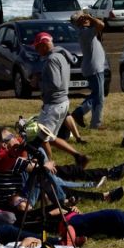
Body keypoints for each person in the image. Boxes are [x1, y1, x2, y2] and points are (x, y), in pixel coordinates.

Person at [32, 32, 88, 166]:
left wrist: (39, 82)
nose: (36, 50)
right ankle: (78, 156)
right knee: (50, 137)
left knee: (43, 136)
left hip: (54, 104)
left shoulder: (51, 59)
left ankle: (49, 164)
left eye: (38, 47)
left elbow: (55, 84)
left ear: (45, 45)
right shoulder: (61, 55)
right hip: (61, 102)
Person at [71, 13, 107, 130]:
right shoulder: (86, 32)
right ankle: (81, 114)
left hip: (94, 67)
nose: (87, 18)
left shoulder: (86, 32)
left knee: (97, 96)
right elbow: (101, 25)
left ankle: (95, 123)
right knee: (99, 97)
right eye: (84, 18)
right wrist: (91, 18)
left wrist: (90, 19)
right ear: (80, 22)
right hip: (94, 68)